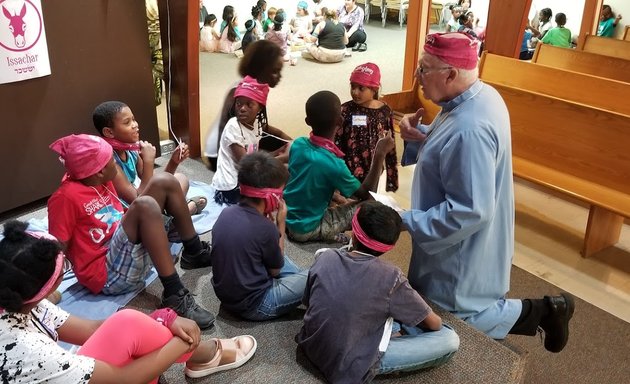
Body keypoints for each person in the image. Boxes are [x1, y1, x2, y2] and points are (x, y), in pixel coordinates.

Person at [397, 32, 575, 352]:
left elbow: (469, 210)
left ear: (450, 73)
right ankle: (546, 311)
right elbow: (448, 149)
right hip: (471, 231)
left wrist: (405, 220)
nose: (417, 78)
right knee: (456, 306)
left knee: (456, 317)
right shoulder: (479, 96)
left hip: (461, 242)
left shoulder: (470, 129)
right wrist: (419, 136)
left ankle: (548, 311)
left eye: (423, 69)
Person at [0, 220, 256, 383]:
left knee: (128, 321)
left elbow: (91, 330)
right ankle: (201, 352)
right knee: (140, 353)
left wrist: (164, 319)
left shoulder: (21, 301)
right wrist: (181, 344)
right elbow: (124, 378)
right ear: (43, 289)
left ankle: (200, 354)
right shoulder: (29, 349)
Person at [47, 134, 214, 328]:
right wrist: (47, 290)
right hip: (107, 275)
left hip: (124, 251)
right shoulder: (65, 198)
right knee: (145, 205)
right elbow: (55, 248)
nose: (115, 164)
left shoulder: (101, 180)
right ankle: (174, 293)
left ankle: (194, 252)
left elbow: (129, 208)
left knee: (165, 180)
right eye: (111, 161)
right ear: (99, 172)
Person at [296, 201, 460, 383]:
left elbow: (309, 301)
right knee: (449, 337)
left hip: (310, 345)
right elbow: (434, 324)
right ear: (390, 246)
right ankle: (388, 335)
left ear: (354, 232)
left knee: (379, 308)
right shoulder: (391, 277)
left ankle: (391, 324)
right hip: (347, 367)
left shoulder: (325, 256)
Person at [283, 90, 395, 243]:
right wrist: (379, 155)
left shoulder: (298, 144)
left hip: (286, 218)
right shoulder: (334, 165)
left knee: (325, 187)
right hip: (305, 229)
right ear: (340, 121)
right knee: (369, 206)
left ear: (307, 121)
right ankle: (325, 234)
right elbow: (367, 195)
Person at [211, 152, 308, 321]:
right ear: (272, 197)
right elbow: (275, 269)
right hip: (255, 305)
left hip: (228, 298)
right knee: (317, 274)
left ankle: (302, 287)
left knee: (292, 269)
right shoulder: (266, 229)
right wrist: (281, 224)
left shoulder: (226, 213)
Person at [92, 101, 206, 216]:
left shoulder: (131, 151)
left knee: (180, 179)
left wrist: (173, 162)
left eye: (133, 119)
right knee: (168, 197)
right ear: (109, 132)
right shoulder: (111, 162)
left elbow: (156, 183)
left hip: (145, 201)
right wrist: (148, 161)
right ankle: (180, 214)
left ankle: (172, 216)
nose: (135, 125)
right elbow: (137, 200)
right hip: (130, 213)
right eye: (127, 122)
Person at [204, 40, 290, 171]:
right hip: (222, 151)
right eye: (275, 71)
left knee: (291, 148)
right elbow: (233, 137)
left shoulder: (258, 89)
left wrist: (290, 140)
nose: (279, 76)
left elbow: (261, 127)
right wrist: (275, 159)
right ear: (260, 68)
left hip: (244, 141)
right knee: (282, 168)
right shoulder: (242, 92)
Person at [212, 76, 275, 206]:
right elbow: (247, 164)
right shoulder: (233, 127)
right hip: (229, 188)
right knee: (267, 198)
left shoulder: (256, 124)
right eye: (239, 103)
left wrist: (285, 146)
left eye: (249, 104)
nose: (242, 108)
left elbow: (274, 133)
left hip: (245, 178)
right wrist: (280, 158)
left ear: (260, 108)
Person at [336, 62, 398, 192]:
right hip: (349, 167)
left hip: (373, 165)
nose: (355, 92)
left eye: (361, 88)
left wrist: (392, 180)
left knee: (369, 197)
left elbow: (390, 143)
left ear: (374, 89)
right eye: (352, 86)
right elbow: (336, 140)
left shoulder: (384, 111)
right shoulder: (345, 110)